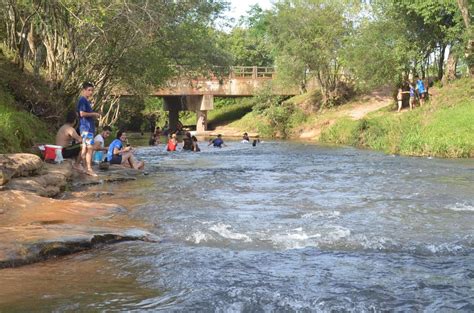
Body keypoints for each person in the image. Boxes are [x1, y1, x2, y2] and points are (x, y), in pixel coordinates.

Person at [77, 81, 101, 176]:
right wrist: (94, 114)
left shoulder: (86, 101)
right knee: (89, 148)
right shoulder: (82, 100)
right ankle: (89, 169)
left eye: (92, 90)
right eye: (89, 90)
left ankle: (77, 164)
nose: (91, 92)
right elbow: (81, 114)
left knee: (85, 148)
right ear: (84, 90)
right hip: (85, 128)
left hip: (88, 128)